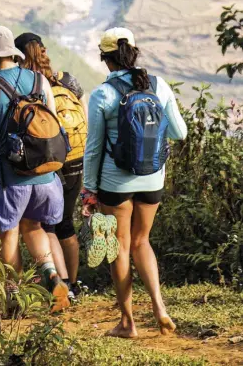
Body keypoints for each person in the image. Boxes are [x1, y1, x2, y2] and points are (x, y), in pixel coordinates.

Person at [82, 28, 187, 338]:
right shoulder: (159, 85)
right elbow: (179, 132)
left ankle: (128, 323)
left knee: (120, 247)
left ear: (105, 59)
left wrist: (89, 189)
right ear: (134, 52)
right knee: (142, 241)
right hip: (152, 178)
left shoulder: (103, 93)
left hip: (115, 184)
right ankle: (159, 308)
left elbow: (94, 148)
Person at [0, 25, 70, 312]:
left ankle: (14, 300)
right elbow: (55, 126)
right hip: (46, 174)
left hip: (12, 177)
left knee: (10, 234)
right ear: (12, 54)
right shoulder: (40, 80)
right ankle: (52, 277)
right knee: (34, 226)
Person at [15, 32, 86, 297]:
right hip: (77, 155)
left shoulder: (29, 84)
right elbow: (83, 109)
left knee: (45, 227)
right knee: (66, 223)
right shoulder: (67, 79)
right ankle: (74, 285)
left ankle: (61, 285)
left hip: (51, 158)